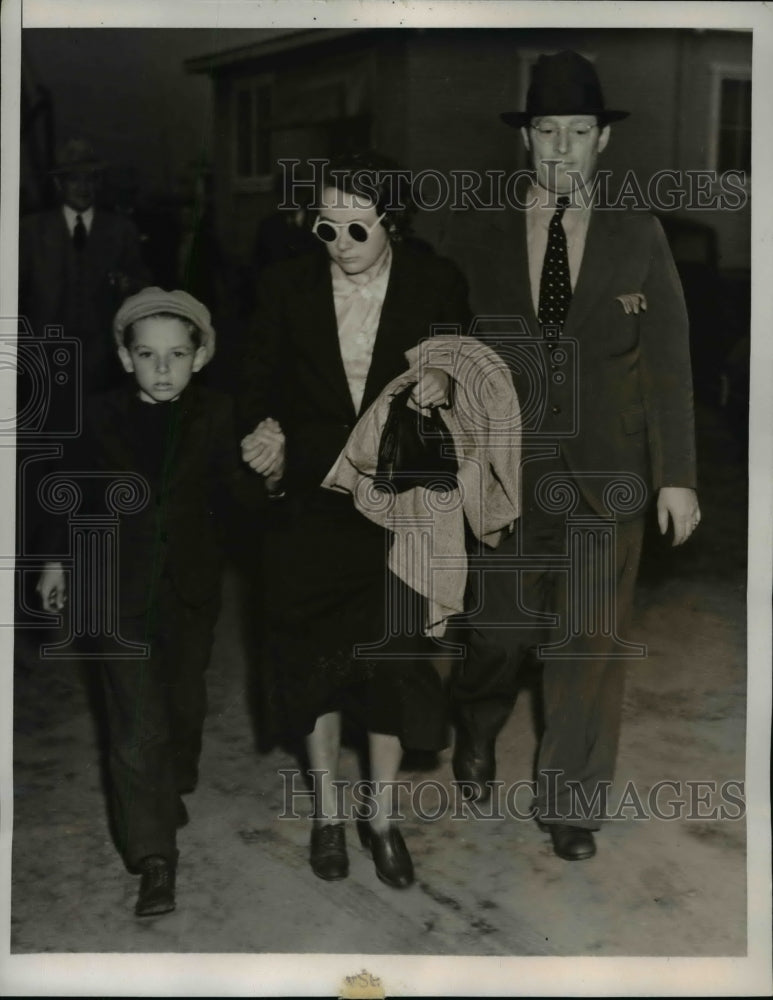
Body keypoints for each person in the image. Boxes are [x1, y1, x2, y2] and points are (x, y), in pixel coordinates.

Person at [443, 51, 700, 860]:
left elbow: (667, 360)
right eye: (547, 130)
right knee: (499, 634)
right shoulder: (479, 235)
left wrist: (677, 476)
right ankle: (475, 720)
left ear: (602, 141)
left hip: (605, 475)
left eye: (578, 131)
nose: (561, 147)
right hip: (504, 476)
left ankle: (570, 803)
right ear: (525, 139)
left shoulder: (637, 232)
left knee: (587, 646)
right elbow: (447, 353)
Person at [239, 150, 471, 889]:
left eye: (356, 229)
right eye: (325, 228)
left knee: (391, 663)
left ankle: (382, 816)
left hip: (398, 503)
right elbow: (253, 384)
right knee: (312, 663)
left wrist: (445, 380)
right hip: (310, 502)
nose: (338, 244)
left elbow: (470, 372)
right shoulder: (283, 286)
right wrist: (263, 434)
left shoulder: (436, 282)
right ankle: (328, 817)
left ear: (391, 222)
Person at [36, 287, 274, 917]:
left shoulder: (218, 413)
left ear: (201, 356)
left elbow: (240, 499)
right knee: (136, 724)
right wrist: (57, 560)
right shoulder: (97, 416)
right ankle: (154, 857)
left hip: (189, 589)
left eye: (177, 354)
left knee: (182, 705)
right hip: (112, 587)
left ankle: (172, 780)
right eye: (147, 354)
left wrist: (270, 473)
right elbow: (68, 490)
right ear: (125, 358)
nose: (162, 368)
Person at [19, 137, 150, 396]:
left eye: (90, 179)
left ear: (99, 184)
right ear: (59, 184)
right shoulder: (31, 232)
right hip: (43, 362)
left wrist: (129, 285)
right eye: (74, 180)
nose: (83, 187)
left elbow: (142, 285)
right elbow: (14, 297)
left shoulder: (121, 230)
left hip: (104, 364)